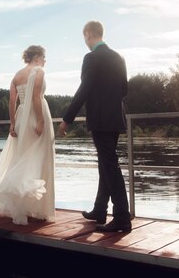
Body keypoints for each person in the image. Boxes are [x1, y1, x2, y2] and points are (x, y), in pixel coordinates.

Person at [0, 45, 55, 225]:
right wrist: (41, 121)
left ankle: (23, 204)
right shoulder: (38, 71)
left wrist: (13, 123)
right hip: (36, 116)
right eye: (44, 57)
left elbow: (12, 101)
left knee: (21, 158)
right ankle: (36, 207)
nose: (45, 61)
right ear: (37, 57)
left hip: (21, 118)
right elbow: (36, 97)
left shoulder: (16, 75)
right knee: (40, 158)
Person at [57, 21, 131, 232]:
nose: (86, 43)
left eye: (85, 38)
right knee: (105, 165)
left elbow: (84, 90)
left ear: (89, 35)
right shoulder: (119, 57)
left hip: (100, 119)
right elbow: (124, 89)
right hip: (116, 118)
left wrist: (67, 118)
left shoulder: (91, 58)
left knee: (110, 166)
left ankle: (122, 218)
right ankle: (100, 210)